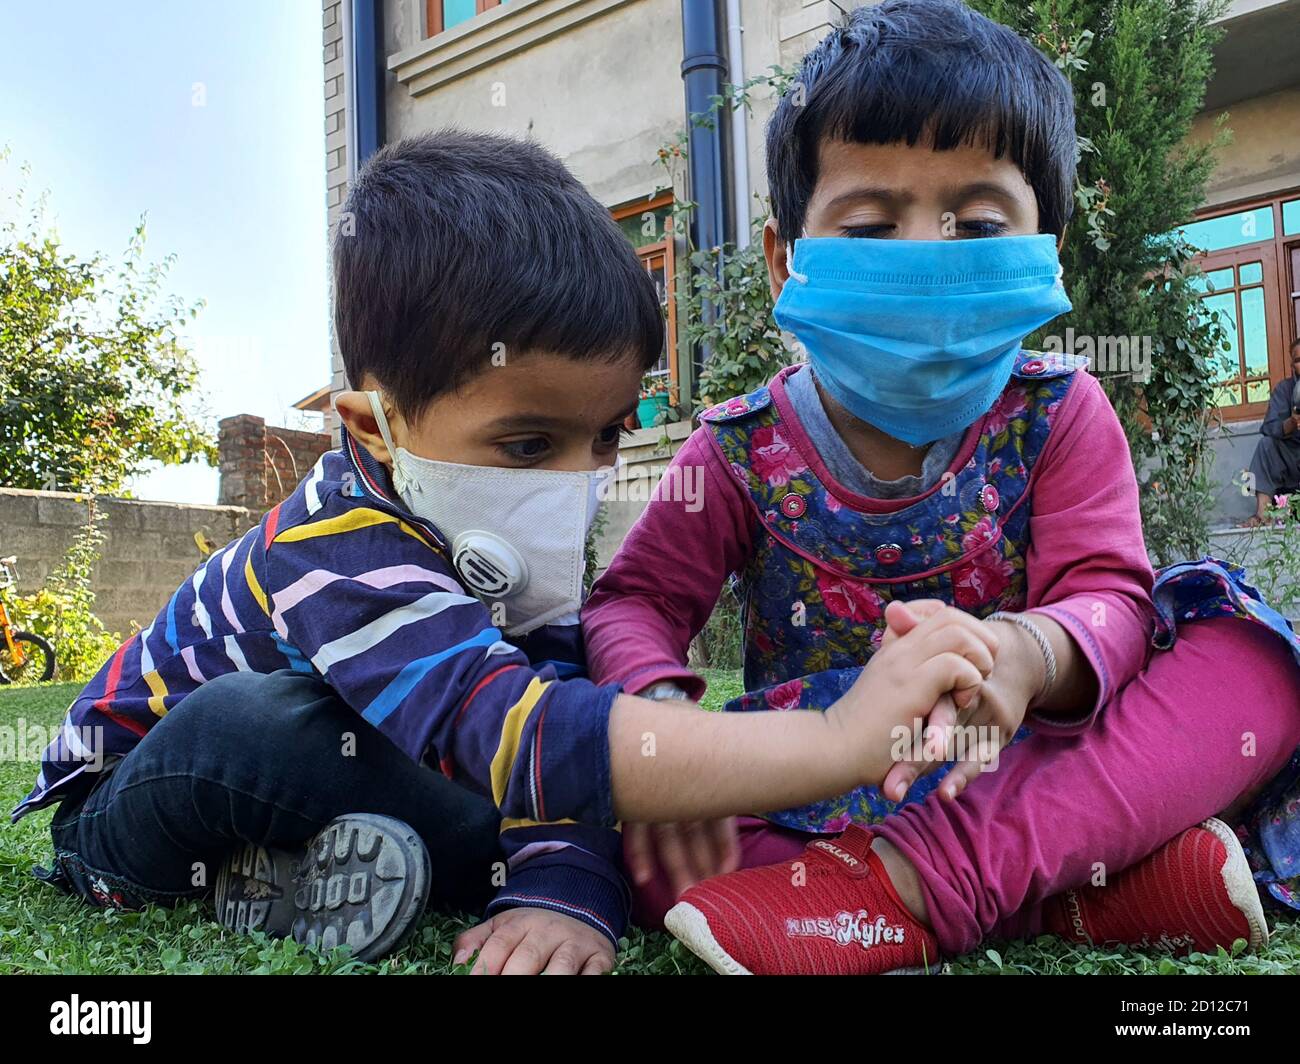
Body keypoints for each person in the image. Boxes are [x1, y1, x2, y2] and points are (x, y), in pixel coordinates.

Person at [14, 130, 986, 975]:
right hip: (134, 800)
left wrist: (565, 889)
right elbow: (521, 730)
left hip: (345, 776)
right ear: (373, 425)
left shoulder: (517, 536)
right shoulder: (338, 542)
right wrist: (833, 742)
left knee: (551, 781)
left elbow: (554, 687)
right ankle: (189, 863)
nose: (575, 480)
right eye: (527, 444)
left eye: (605, 435)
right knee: (268, 720)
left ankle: (279, 877)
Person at [583, 0, 1300, 975]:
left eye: (977, 221)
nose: (927, 254)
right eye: (872, 223)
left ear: (1046, 238)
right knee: (645, 825)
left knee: (1251, 661)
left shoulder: (1060, 411)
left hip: (1029, 763)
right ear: (785, 257)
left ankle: (902, 890)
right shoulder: (733, 450)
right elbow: (634, 602)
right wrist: (666, 722)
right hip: (813, 775)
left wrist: (1027, 652)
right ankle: (1076, 901)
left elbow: (1110, 598)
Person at [1246, 338, 1300, 524]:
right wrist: (1290, 424)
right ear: (1292, 365)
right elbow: (1268, 428)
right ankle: (1263, 514)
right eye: (1299, 360)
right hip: (1291, 461)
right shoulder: (1284, 390)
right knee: (1266, 445)